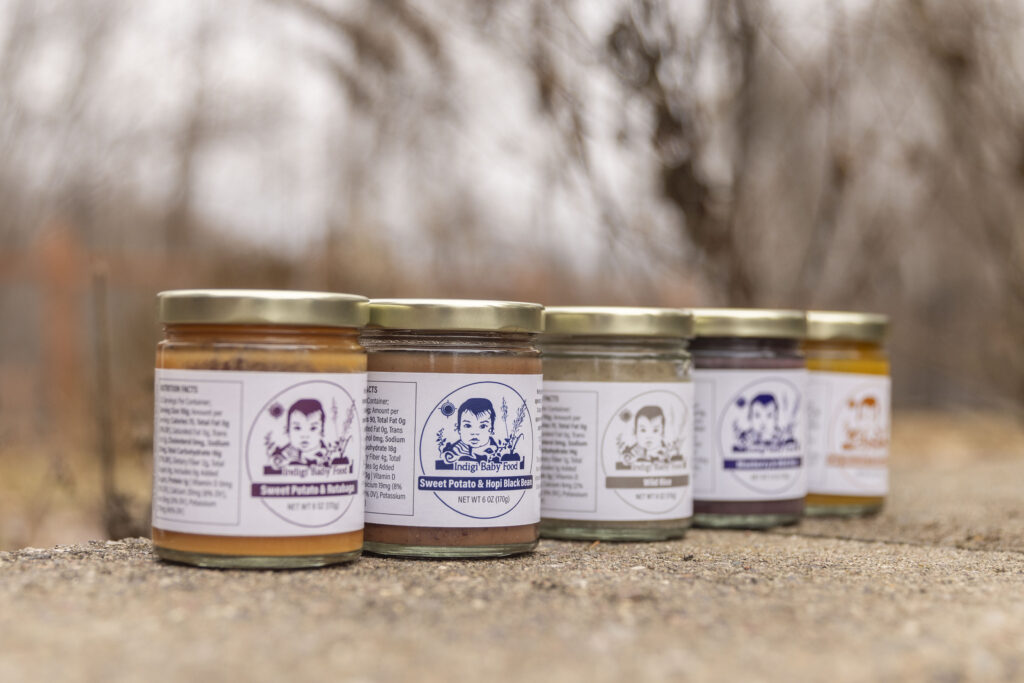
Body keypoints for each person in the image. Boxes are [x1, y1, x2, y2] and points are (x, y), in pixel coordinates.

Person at [270, 398, 331, 467]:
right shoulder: (282, 455)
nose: (304, 435)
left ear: (322, 431)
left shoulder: (330, 454)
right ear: (287, 430)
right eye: (297, 428)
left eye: (313, 428)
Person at [444, 398, 500, 463]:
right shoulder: (455, 451)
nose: (474, 432)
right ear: (459, 429)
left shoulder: (497, 450)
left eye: (482, 426)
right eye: (468, 426)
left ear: (491, 430)